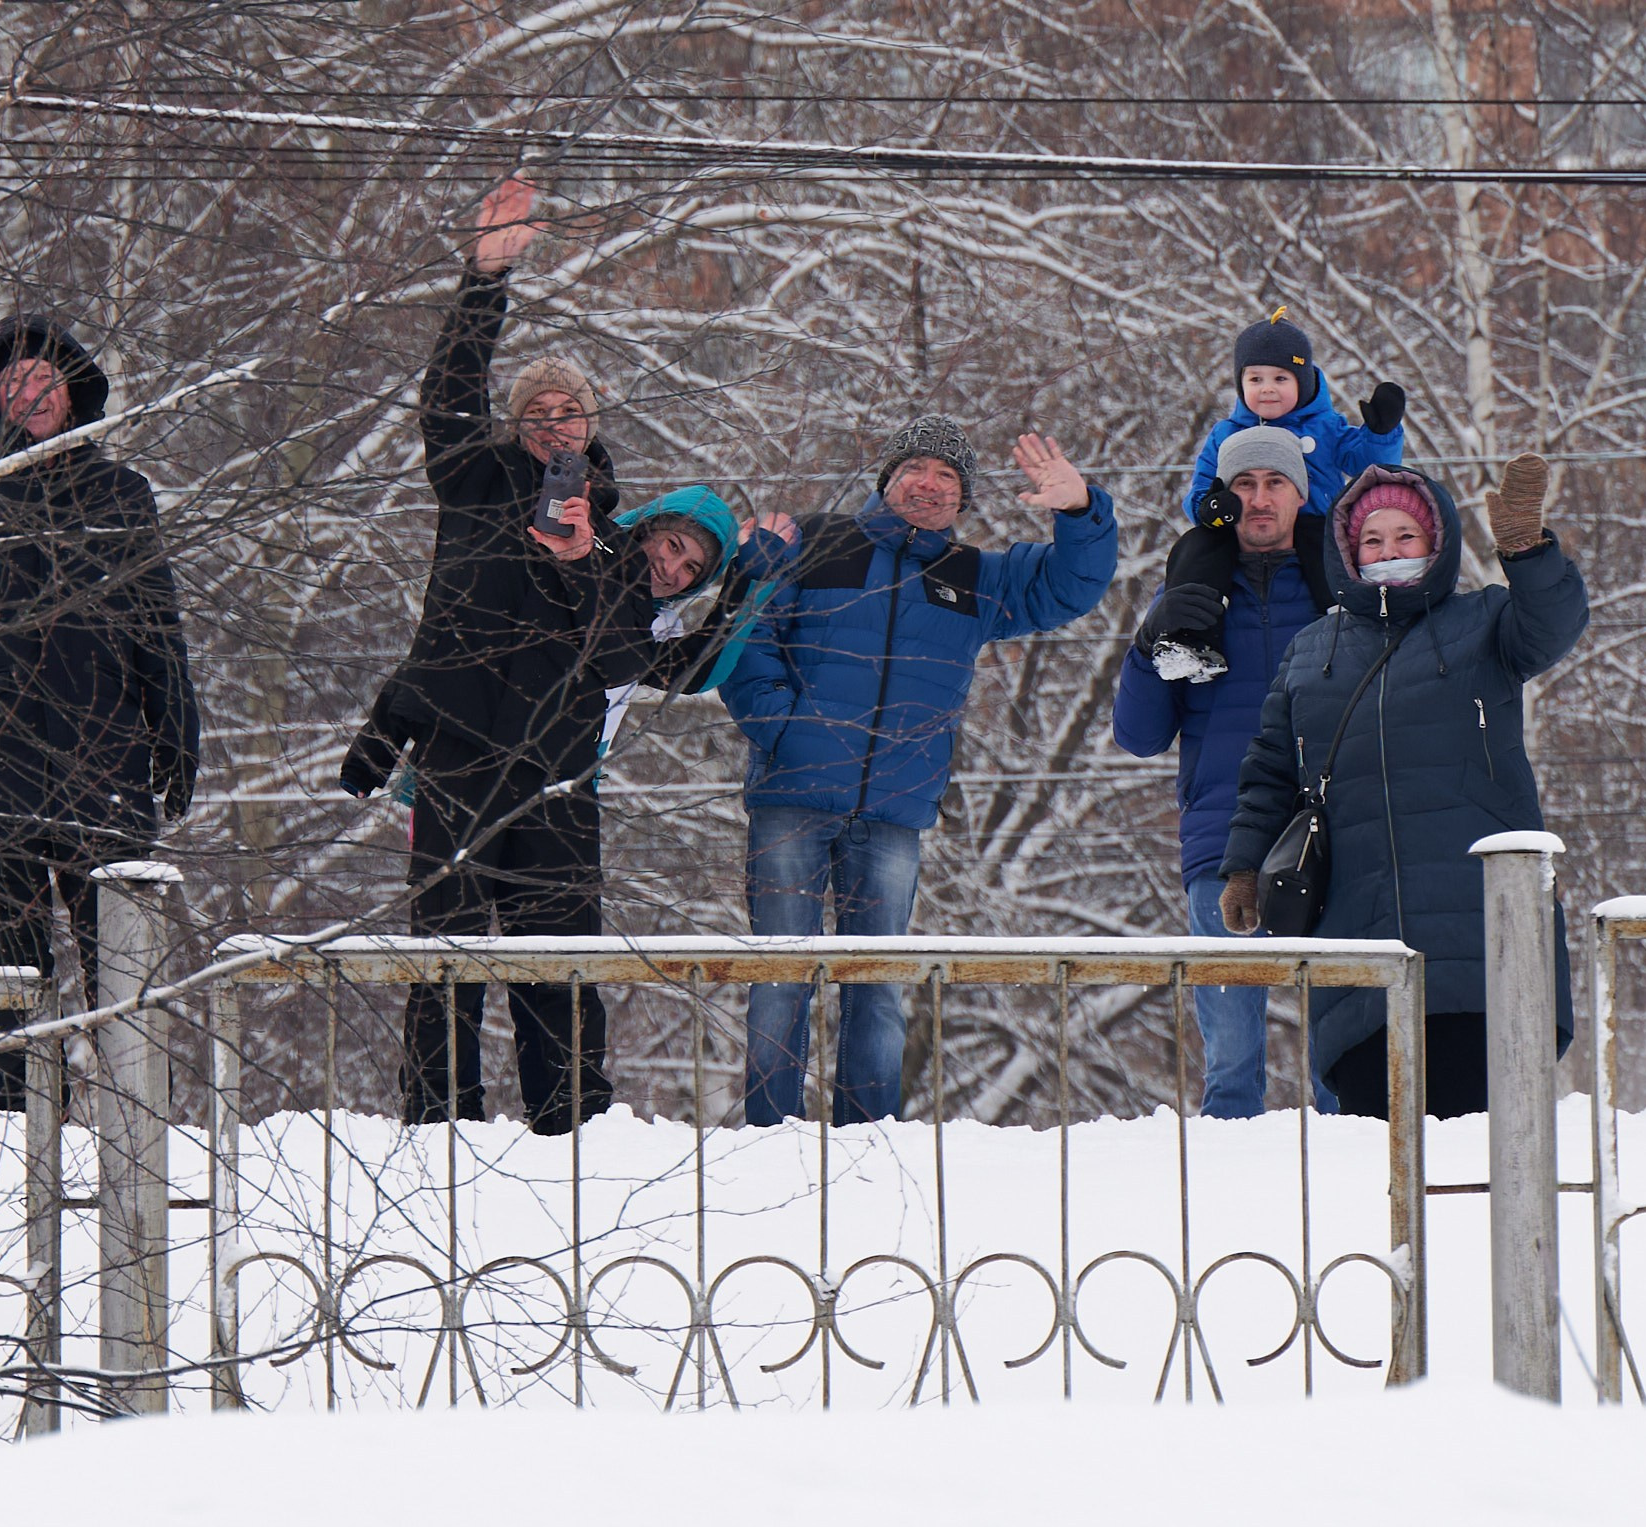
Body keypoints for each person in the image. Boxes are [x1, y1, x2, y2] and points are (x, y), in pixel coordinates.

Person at [337, 177, 656, 1134]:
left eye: (573, 410)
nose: (557, 421)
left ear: (593, 428)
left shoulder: (614, 533)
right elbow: (446, 395)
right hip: (459, 755)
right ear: (519, 421)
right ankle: (437, 1124)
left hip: (558, 774)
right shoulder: (475, 480)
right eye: (540, 408)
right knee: (443, 957)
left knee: (559, 965)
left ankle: (574, 1131)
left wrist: (585, 565)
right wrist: (485, 278)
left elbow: (625, 655)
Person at [720, 418, 1120, 1126]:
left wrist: (1081, 510)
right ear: (889, 478)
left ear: (960, 500)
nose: (929, 484)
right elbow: (748, 639)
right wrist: (784, 732)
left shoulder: (974, 578)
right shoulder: (817, 541)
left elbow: (1068, 588)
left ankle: (870, 1139)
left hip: (895, 814)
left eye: (948, 477)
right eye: (917, 469)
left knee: (878, 986)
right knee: (781, 972)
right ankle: (766, 1134)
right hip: (793, 796)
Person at [0, 316, 201, 1112]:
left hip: (106, 769)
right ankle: (22, 1133)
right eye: (14, 382)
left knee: (124, 974)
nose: (31, 395)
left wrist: (176, 734)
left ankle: (142, 1146)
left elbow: (156, 624)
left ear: (74, 391)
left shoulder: (120, 495)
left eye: (45, 380)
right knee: (16, 975)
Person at [1218, 455, 1585, 1118]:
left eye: (1405, 536)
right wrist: (1244, 866)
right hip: (1363, 960)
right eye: (1373, 540)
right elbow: (1269, 771)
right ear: (1348, 552)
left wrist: (1526, 553)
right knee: (1386, 1178)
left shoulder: (1484, 624)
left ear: (1436, 542)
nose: (1389, 551)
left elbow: (1553, 625)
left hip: (1483, 956)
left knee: (1501, 1160)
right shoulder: (1310, 652)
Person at [1113, 425, 1337, 1119]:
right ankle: (1233, 1213)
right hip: (1219, 837)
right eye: (1244, 485)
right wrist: (1152, 640)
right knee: (1232, 1069)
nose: (1260, 498)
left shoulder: (1341, 586)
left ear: (1301, 495)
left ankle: (1360, 1213)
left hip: (1338, 834)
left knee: (1344, 1060)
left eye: (1275, 483)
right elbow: (1139, 735)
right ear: (1223, 499)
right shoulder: (1191, 590)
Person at [1148, 309, 1404, 684]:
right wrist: (1212, 508)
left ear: (1304, 381)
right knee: (1198, 548)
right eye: (1255, 378)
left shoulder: (1326, 427)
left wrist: (1380, 433)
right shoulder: (1226, 433)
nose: (1267, 388)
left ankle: (1346, 625)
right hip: (1239, 527)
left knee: (1330, 556)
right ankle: (1192, 640)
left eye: (1280, 378)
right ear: (1240, 383)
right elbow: (1202, 485)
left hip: (1313, 522)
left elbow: (1366, 463)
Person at [599, 485, 796, 751]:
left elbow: (697, 672)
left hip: (566, 779)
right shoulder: (574, 554)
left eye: (691, 568)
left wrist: (750, 578)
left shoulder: (653, 628)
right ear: (645, 529)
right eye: (673, 545)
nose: (669, 568)